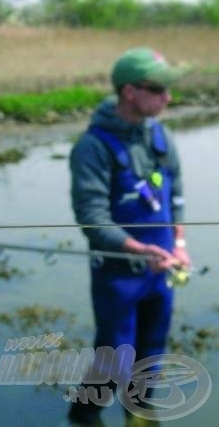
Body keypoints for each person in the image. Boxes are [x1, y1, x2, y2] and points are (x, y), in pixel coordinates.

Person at [68, 47, 191, 425]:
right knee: (114, 351)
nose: (167, 97)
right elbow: (91, 219)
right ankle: (85, 415)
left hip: (161, 267)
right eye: (158, 88)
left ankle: (139, 410)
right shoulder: (92, 148)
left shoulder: (160, 136)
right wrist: (137, 248)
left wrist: (180, 245)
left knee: (153, 346)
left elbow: (177, 196)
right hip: (118, 273)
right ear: (129, 92)